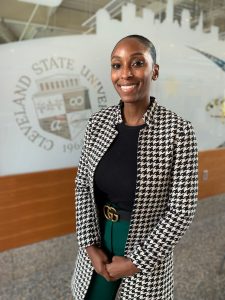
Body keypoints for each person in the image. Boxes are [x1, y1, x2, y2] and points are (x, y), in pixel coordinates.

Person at [71, 34, 198, 300]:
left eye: (137, 63)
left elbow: (182, 210)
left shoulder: (179, 131)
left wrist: (136, 262)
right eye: (117, 65)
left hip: (147, 246)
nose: (125, 74)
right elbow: (83, 185)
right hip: (100, 236)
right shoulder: (97, 124)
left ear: (155, 71)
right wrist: (89, 243)